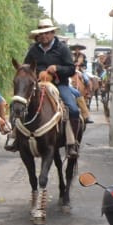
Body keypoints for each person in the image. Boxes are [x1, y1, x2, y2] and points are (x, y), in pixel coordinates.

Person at [22, 19, 81, 155]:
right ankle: (16, 137)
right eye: (41, 34)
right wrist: (37, 73)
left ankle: (72, 143)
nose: (44, 36)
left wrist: (57, 68)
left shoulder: (62, 49)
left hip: (59, 85)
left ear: (53, 33)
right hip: (38, 85)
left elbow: (71, 69)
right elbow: (26, 68)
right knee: (20, 104)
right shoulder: (33, 50)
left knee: (72, 109)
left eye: (47, 33)